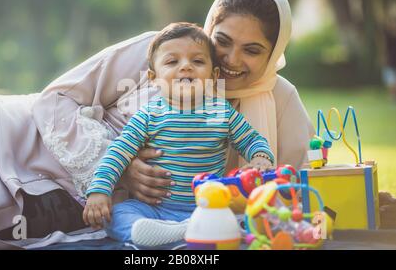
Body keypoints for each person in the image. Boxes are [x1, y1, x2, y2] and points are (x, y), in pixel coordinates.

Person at [0, 0, 314, 249]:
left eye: (252, 50)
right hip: (20, 132)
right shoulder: (164, 48)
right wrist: (121, 166)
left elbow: (290, 191)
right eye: (222, 41)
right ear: (208, 29)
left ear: (273, 52)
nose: (231, 60)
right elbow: (56, 99)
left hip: (54, 197)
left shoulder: (279, 101)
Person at [82, 22, 275, 246]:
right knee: (117, 214)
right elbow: (118, 151)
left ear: (213, 75)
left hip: (206, 206)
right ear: (154, 78)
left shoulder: (221, 113)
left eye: (198, 61)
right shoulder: (148, 115)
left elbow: (252, 140)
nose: (186, 67)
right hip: (154, 209)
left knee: (246, 216)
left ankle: (194, 227)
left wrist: (261, 156)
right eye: (173, 61)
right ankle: (168, 231)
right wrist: (100, 190)